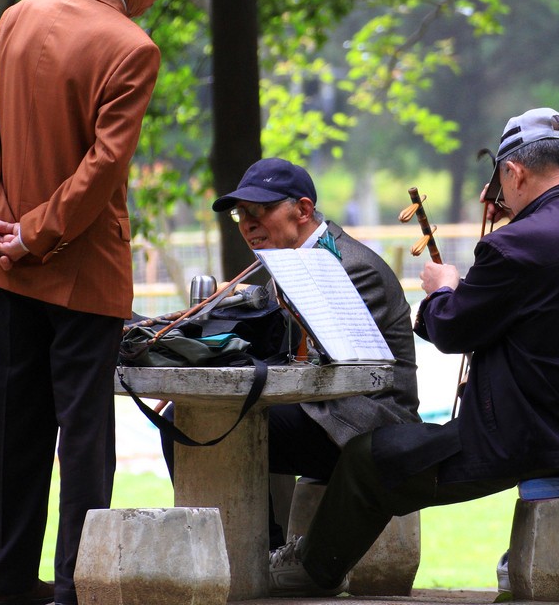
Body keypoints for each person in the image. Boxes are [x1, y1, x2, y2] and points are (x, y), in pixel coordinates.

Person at [267, 107, 559, 597]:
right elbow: (550, 311)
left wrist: (443, 289)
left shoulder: (516, 244)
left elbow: (449, 330)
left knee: (368, 457)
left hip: (526, 439)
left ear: (513, 172)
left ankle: (311, 572)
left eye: (502, 182)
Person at [0, 0, 217, 605]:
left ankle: (1, 587)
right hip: (79, 272)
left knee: (10, 428)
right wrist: (36, 232)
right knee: (83, 438)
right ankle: (78, 588)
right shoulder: (131, 47)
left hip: (3, 267)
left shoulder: (19, 16)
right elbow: (103, 169)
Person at [161, 158, 421, 548]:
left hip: (365, 421)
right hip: (319, 413)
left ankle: (256, 552)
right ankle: (249, 550)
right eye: (241, 214)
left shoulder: (350, 266)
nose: (248, 224)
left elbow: (322, 363)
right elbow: (265, 339)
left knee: (198, 422)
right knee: (187, 415)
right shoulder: (288, 261)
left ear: (302, 209)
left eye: (261, 210)